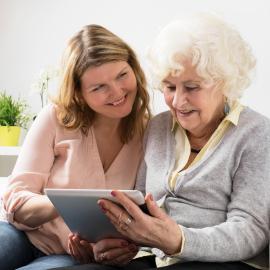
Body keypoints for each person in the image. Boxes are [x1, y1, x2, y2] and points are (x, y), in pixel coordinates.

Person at [54, 13, 270, 270]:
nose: (178, 102)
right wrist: (120, 245)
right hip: (152, 259)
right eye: (169, 87)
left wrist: (179, 240)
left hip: (221, 262)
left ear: (224, 82)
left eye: (191, 87)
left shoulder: (256, 133)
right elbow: (143, 207)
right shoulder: (157, 127)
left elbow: (251, 231)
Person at [0, 24, 150, 270]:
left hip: (70, 256)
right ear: (79, 93)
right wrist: (65, 205)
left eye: (122, 75)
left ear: (133, 68)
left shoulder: (148, 134)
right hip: (21, 234)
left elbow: (139, 217)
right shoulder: (55, 118)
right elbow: (16, 201)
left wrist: (106, 248)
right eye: (98, 87)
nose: (117, 92)